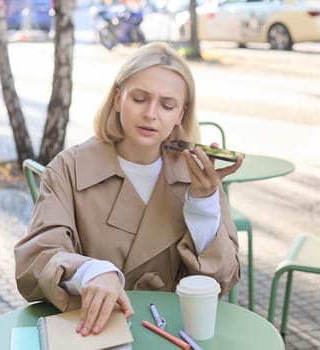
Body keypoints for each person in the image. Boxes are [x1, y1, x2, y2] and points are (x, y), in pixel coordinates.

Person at [14, 42, 243, 337]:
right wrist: (91, 272)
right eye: (139, 98)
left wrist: (203, 203)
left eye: (167, 105)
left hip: (174, 334)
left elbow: (221, 281)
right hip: (92, 332)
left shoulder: (198, 175)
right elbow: (35, 262)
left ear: (181, 114)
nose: (151, 113)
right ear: (118, 98)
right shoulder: (68, 168)